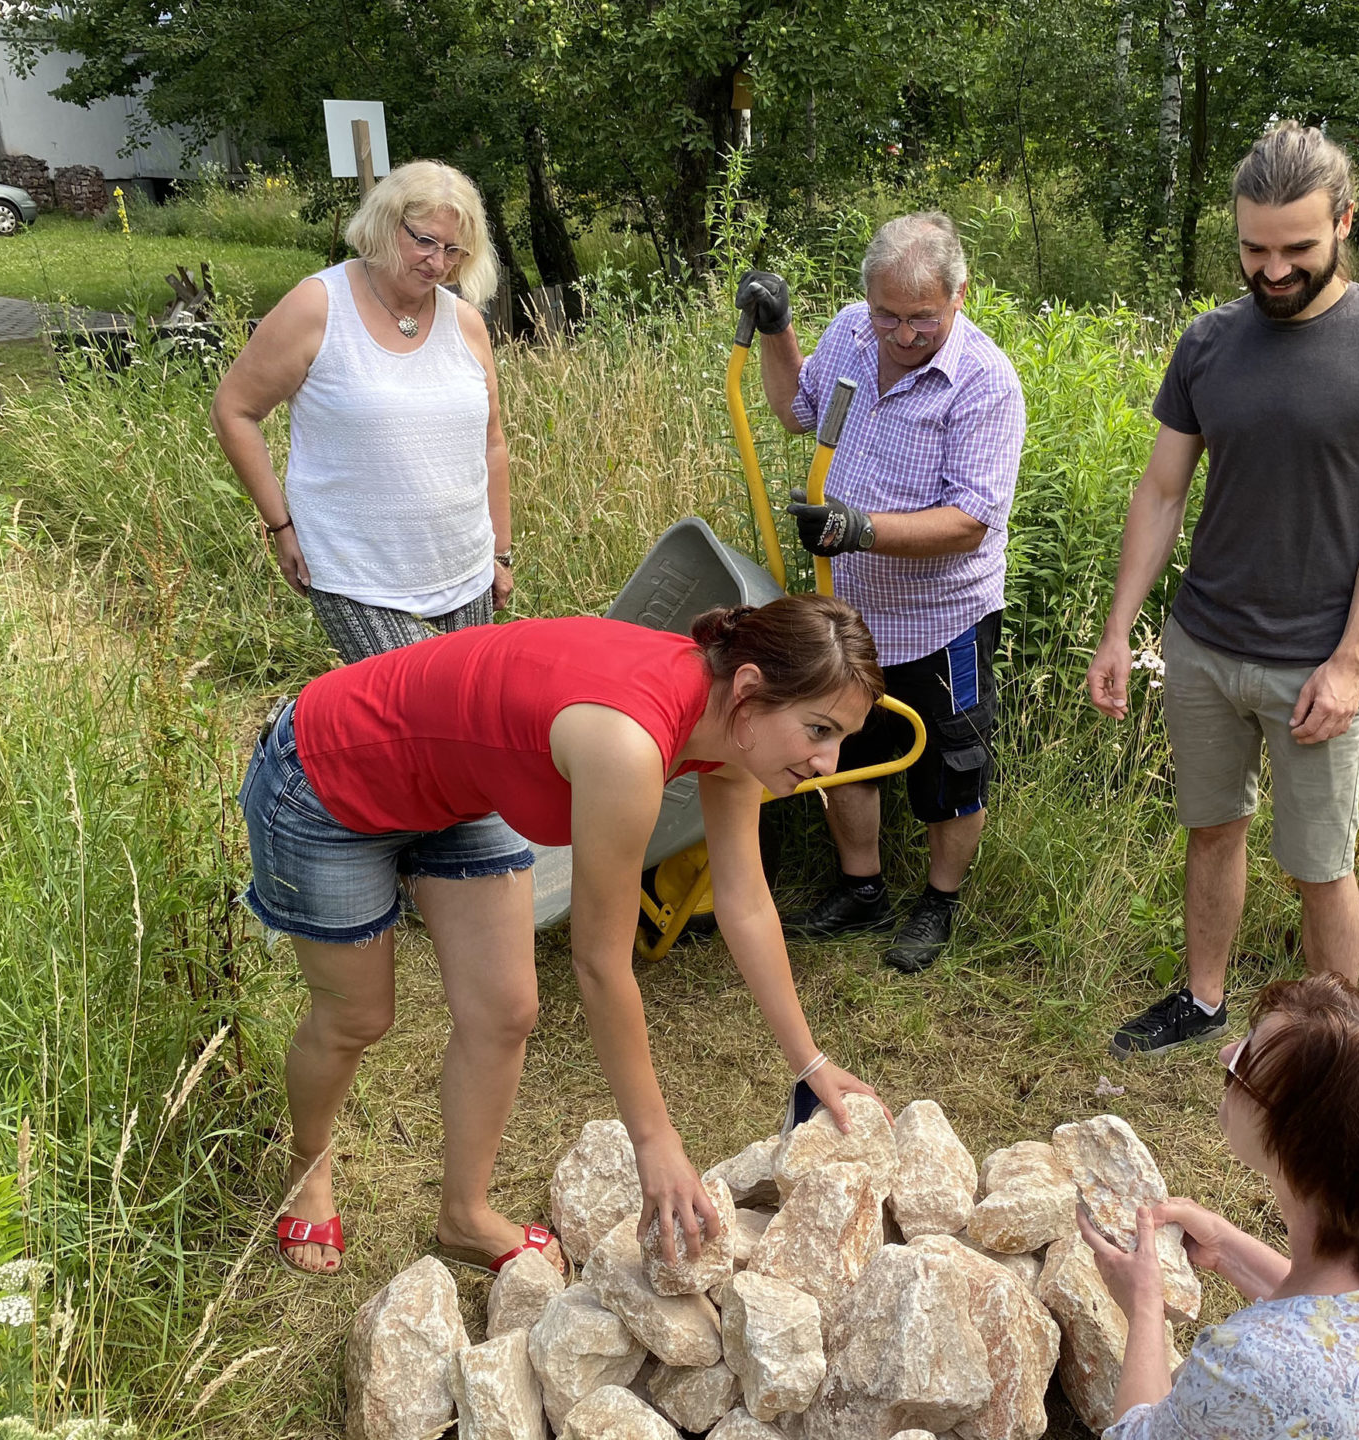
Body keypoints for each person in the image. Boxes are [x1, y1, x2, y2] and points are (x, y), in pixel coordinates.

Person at [241, 594, 885, 1275]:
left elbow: (745, 903)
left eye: (840, 737)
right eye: (819, 730)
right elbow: (601, 964)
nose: (829, 763)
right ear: (750, 690)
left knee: (506, 1011)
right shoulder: (627, 743)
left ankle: (463, 1217)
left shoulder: (732, 735)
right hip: (329, 774)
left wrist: (810, 1064)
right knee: (358, 1019)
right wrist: (655, 1142)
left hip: (453, 788)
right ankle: (307, 1168)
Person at [1086, 122, 1359, 1056]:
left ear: (1344, 221)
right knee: (1211, 830)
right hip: (1205, 646)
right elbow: (1162, 489)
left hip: (1316, 665)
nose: (1273, 268)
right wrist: (1120, 629)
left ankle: (1334, 1047)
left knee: (1321, 868)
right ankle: (1204, 1000)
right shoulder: (1207, 343)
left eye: (1297, 248)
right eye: (1254, 248)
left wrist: (1350, 663)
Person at [736, 212, 1026, 974]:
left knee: (950, 766)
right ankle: (860, 890)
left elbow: (970, 520)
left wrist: (860, 529)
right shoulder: (851, 336)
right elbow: (795, 410)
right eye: (887, 314)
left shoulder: (985, 383)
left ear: (960, 295)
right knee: (843, 744)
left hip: (942, 619)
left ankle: (938, 901)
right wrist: (778, 329)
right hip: (847, 610)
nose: (901, 334)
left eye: (920, 317)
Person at [1077, 974, 1359, 1437]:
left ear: (1302, 1147)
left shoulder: (1254, 1370)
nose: (1223, 1052)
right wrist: (1228, 1249)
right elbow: (1342, 1327)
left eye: (1241, 1064)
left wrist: (1143, 1306)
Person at [211, 159, 514, 664]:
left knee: (461, 725)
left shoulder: (465, 323)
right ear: (385, 223)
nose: (438, 262)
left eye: (454, 250)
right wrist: (281, 528)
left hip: (466, 569)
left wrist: (500, 554)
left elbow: (492, 443)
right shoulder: (319, 307)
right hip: (357, 573)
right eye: (424, 240)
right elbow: (233, 410)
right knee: (417, 710)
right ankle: (287, 742)